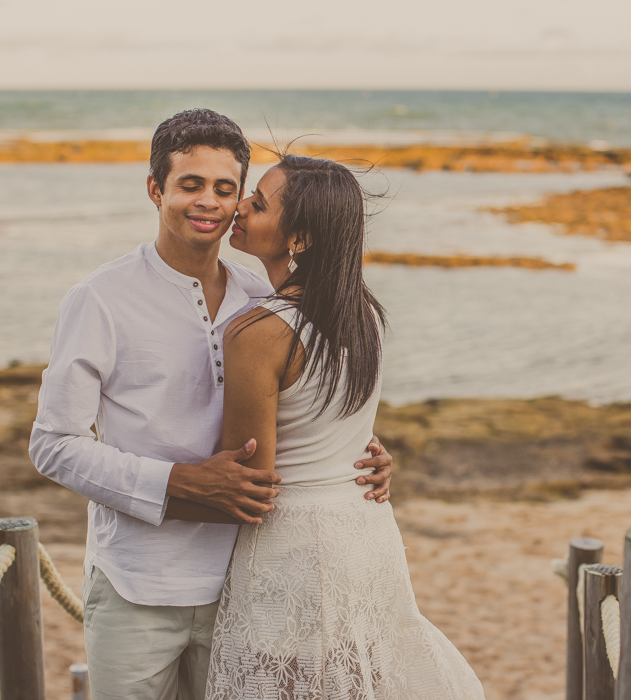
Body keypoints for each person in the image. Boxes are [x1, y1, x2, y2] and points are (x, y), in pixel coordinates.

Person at [28, 109, 393, 700]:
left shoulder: (262, 298)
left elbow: (305, 404)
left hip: (244, 586)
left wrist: (361, 454)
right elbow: (52, 444)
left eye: (227, 189)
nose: (209, 202)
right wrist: (174, 482)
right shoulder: (99, 298)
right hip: (137, 585)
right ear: (156, 189)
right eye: (190, 184)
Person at [196, 155, 485, 699]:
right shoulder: (363, 314)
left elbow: (247, 478)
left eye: (256, 203)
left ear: (298, 238)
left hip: (294, 546)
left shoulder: (257, 332)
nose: (238, 207)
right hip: (363, 531)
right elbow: (337, 427)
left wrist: (144, 489)